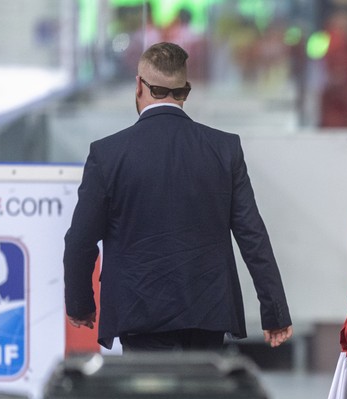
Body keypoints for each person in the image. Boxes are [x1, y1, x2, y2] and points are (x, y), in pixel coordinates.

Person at [64, 42, 293, 352]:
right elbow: (252, 236)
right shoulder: (224, 149)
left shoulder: (108, 154)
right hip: (209, 310)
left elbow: (80, 239)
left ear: (139, 87)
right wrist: (274, 312)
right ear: (185, 90)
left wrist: (80, 304)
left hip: (138, 310)